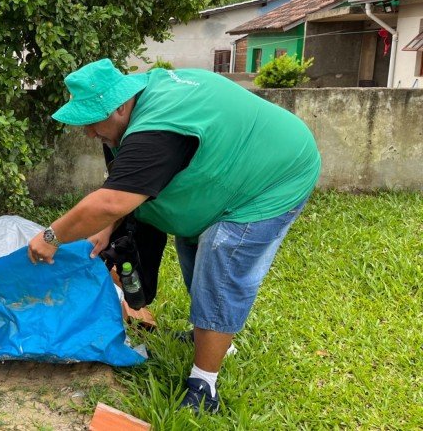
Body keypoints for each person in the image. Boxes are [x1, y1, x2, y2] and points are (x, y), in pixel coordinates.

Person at [27, 58, 321, 414]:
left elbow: (111, 201)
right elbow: (123, 181)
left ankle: (204, 385)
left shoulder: (158, 128)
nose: (88, 132)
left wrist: (51, 235)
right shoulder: (130, 109)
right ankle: (211, 334)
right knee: (192, 244)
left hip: (274, 176)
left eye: (92, 120)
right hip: (230, 164)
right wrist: (107, 229)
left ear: (121, 105)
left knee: (221, 263)